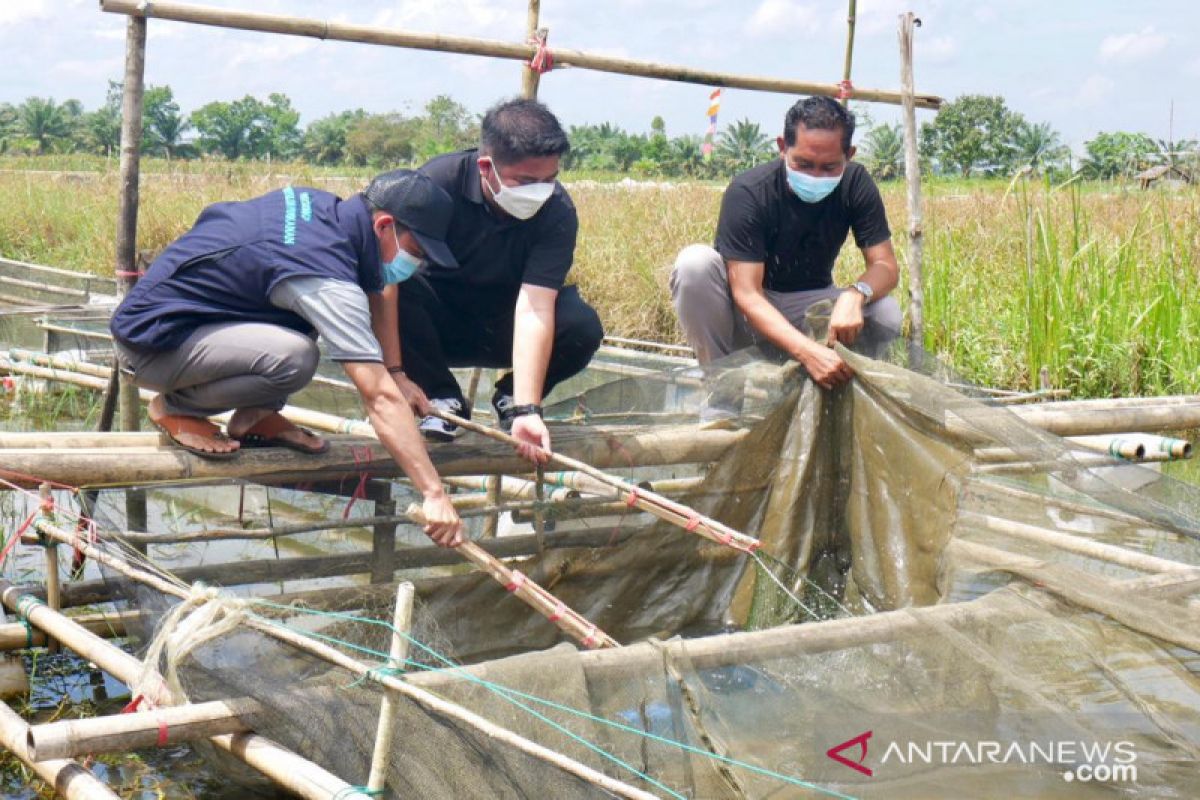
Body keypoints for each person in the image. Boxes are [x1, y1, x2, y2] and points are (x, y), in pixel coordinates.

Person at [109, 170, 464, 547]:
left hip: (197, 322)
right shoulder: (323, 274)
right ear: (385, 225)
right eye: (418, 250)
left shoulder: (329, 215)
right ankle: (176, 407)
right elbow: (376, 395)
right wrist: (434, 494)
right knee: (294, 357)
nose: (416, 263)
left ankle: (255, 416)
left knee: (293, 326)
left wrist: (398, 373)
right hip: (152, 346)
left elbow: (379, 286)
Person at [386, 98, 603, 463]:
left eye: (549, 180)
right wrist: (393, 373)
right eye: (526, 181)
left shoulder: (557, 211)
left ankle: (510, 397)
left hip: (505, 326)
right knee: (395, 285)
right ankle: (443, 397)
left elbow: (535, 305)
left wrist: (527, 407)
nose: (539, 190)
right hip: (433, 328)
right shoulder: (438, 183)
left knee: (581, 324)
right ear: (486, 167)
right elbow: (387, 267)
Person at [670, 95, 902, 398]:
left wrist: (855, 294)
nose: (815, 176)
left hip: (808, 308)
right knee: (694, 264)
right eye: (803, 164)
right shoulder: (750, 190)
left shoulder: (855, 183)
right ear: (782, 148)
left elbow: (885, 266)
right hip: (747, 315)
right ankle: (722, 393)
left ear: (850, 155)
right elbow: (747, 294)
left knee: (886, 311)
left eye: (829, 167)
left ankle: (842, 397)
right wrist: (806, 351)